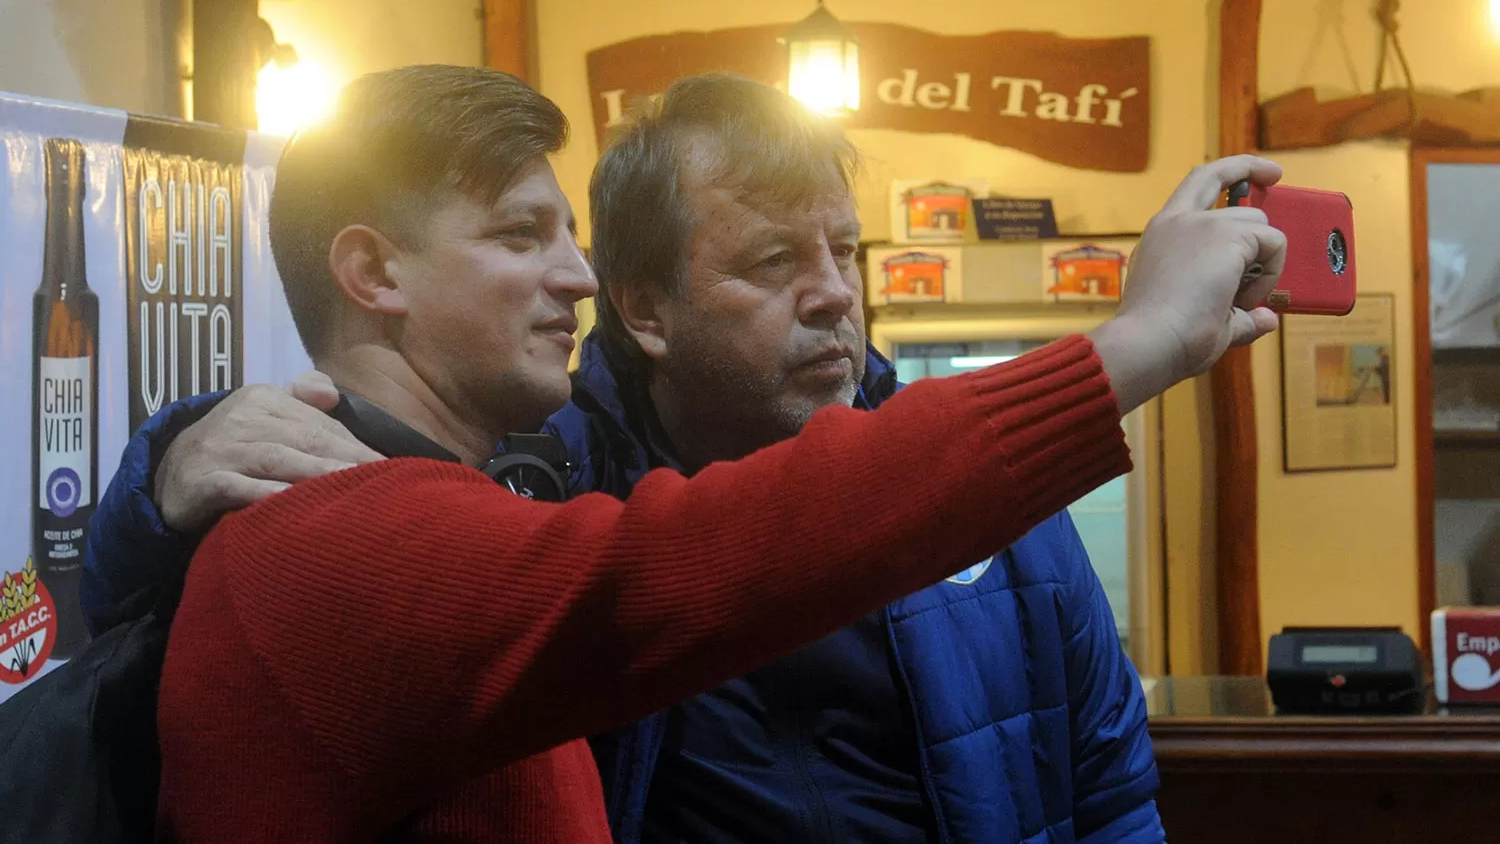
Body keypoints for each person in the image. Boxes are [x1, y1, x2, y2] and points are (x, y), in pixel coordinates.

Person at [80, 67, 1285, 842]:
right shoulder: (432, 513)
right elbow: (703, 555)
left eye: (846, 252)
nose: (573, 275)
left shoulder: (448, 499)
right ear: (373, 272)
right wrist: (166, 469)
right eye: (520, 234)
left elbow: (1111, 794)